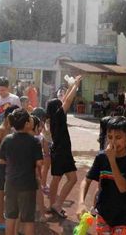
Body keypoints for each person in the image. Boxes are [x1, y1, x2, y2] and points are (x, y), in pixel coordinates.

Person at [77, 116, 126, 235]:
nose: (113, 142)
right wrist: (81, 202)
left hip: (124, 218)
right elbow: (86, 180)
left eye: (118, 137)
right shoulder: (101, 157)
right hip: (103, 216)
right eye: (110, 137)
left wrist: (112, 160)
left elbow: (123, 188)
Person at [0, 108, 43, 235]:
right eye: (29, 118)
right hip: (28, 184)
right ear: (27, 124)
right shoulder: (34, 141)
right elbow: (40, 162)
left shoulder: (7, 139)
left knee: (10, 216)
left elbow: (1, 160)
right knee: (28, 219)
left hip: (11, 182)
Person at [45, 75, 82, 219]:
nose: (62, 103)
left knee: (56, 178)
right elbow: (67, 101)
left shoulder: (54, 116)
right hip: (62, 151)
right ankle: (57, 204)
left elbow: (64, 100)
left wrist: (71, 86)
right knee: (72, 179)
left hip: (57, 150)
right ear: (57, 108)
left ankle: (52, 204)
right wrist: (75, 85)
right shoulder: (59, 115)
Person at [0, 105, 15, 231]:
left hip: (7, 163)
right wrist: (6, 142)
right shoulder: (2, 129)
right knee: (0, 191)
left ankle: (3, 214)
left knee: (6, 192)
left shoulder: (10, 128)